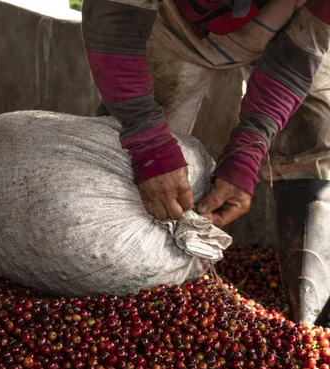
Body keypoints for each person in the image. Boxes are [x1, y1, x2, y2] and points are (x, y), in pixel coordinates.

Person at [81, 0, 330, 326]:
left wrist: (248, 148)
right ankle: (109, 299)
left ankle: (306, 319)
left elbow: (295, 57)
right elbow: (114, 21)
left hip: (283, 26)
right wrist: (149, 144)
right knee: (127, 163)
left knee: (312, 139)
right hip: (176, 30)